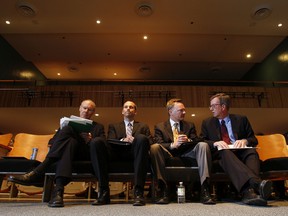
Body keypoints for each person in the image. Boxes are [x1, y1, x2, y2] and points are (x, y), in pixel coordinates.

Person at [8, 99, 109, 207]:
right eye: (84, 108)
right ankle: (58, 193)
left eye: (90, 110)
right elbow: (52, 141)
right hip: (69, 152)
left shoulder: (98, 127)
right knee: (69, 141)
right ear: (79, 108)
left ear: (93, 112)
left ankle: (40, 171)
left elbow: (102, 146)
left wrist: (90, 139)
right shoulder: (67, 123)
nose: (86, 111)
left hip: (85, 153)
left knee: (68, 132)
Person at [200, 93, 272, 206]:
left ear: (223, 107)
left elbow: (253, 139)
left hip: (240, 151)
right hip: (222, 155)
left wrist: (245, 141)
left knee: (251, 152)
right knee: (224, 151)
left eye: (213, 106)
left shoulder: (241, 119)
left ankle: (249, 193)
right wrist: (215, 143)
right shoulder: (207, 123)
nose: (211, 109)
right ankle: (255, 185)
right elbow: (202, 141)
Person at [150, 98, 215, 205]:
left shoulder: (190, 125)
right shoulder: (160, 126)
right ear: (170, 112)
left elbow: (196, 139)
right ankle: (163, 189)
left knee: (203, 145)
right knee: (154, 147)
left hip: (187, 152)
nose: (184, 112)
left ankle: (205, 189)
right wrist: (172, 145)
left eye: (184, 110)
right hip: (169, 153)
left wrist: (188, 140)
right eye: (181, 110)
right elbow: (159, 142)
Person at [107, 101, 153, 206]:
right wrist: (124, 140)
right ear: (122, 111)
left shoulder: (143, 126)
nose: (128, 109)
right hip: (119, 153)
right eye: (126, 107)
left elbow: (150, 142)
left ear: (135, 112)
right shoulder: (113, 126)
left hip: (137, 154)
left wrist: (135, 140)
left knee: (141, 138)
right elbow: (110, 141)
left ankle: (138, 192)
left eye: (131, 107)